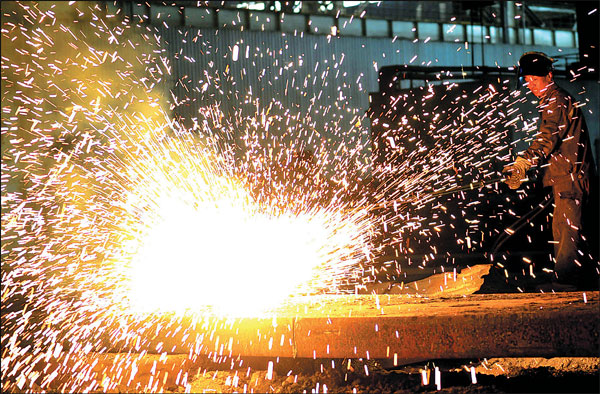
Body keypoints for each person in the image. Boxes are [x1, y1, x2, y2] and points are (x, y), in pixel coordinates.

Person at [502, 51, 599, 290]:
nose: (530, 84)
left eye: (534, 79)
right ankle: (579, 279)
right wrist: (531, 172)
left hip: (571, 179)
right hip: (566, 177)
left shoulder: (556, 100)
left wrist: (524, 161)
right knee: (566, 228)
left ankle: (567, 282)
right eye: (527, 80)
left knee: (567, 230)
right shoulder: (554, 100)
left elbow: (548, 138)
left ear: (549, 75)